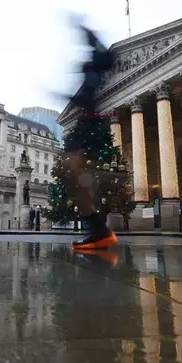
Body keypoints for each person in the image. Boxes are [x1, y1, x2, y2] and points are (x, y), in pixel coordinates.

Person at [65, 23, 118, 250]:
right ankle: (98, 229)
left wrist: (90, 34)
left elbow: (108, 58)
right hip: (89, 122)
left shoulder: (99, 60)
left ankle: (99, 230)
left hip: (91, 124)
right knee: (77, 176)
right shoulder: (91, 69)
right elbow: (86, 95)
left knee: (78, 174)